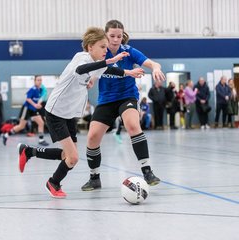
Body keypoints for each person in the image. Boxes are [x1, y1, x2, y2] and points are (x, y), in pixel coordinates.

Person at [16, 27, 144, 198]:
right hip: (56, 113)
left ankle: (28, 151)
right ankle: (53, 182)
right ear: (90, 47)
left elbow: (109, 70)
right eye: (102, 47)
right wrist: (109, 60)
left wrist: (128, 72)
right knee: (73, 158)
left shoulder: (99, 63)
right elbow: (81, 70)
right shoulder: (81, 58)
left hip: (69, 114)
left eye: (106, 47)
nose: (106, 50)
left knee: (66, 155)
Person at [82, 20, 164, 192]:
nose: (116, 39)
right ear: (105, 35)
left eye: (119, 36)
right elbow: (96, 71)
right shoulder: (100, 53)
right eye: (112, 36)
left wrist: (155, 68)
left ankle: (147, 172)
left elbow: (152, 63)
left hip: (127, 96)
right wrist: (91, 80)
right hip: (106, 100)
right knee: (92, 137)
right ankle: (94, 177)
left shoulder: (129, 51)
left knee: (133, 126)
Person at [2, 75, 50, 146]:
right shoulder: (32, 89)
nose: (39, 81)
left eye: (40, 80)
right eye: (38, 80)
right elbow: (28, 99)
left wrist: (38, 104)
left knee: (41, 123)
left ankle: (41, 140)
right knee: (21, 126)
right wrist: (35, 105)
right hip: (27, 109)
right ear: (34, 81)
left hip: (33, 110)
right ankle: (6, 135)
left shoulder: (40, 89)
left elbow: (38, 99)